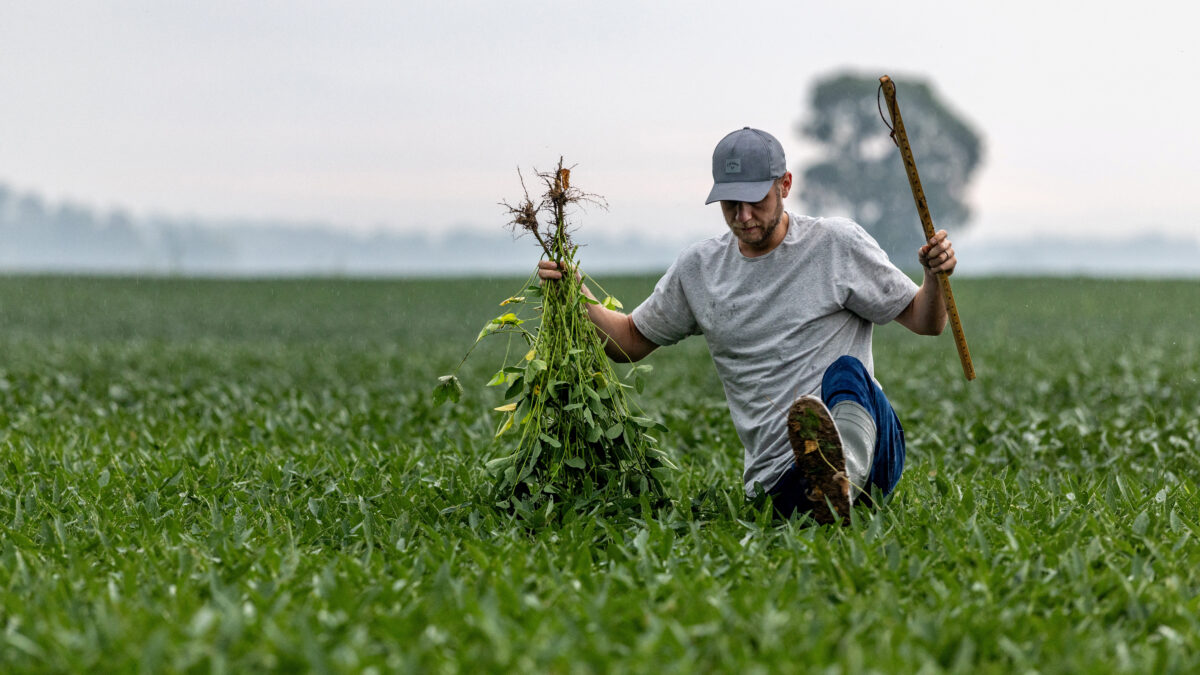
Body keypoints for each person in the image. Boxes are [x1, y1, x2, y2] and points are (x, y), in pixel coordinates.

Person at [538, 127, 957, 524]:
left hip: (876, 449)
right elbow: (628, 341)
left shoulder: (836, 245)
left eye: (756, 200)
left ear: (785, 185)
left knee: (846, 372)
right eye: (730, 205)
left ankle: (841, 478)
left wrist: (935, 277)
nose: (743, 216)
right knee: (793, 492)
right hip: (781, 476)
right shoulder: (699, 270)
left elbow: (926, 320)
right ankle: (824, 487)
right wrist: (576, 295)